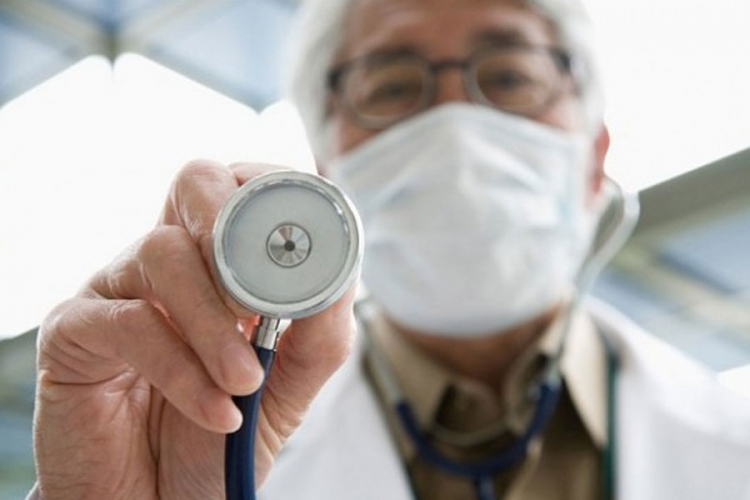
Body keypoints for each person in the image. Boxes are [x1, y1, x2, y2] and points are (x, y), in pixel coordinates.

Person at [28, 0, 750, 499]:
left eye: (510, 76)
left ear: (594, 157)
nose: (455, 124)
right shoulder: (217, 445)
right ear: (326, 172)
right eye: (393, 85)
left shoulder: (731, 447)